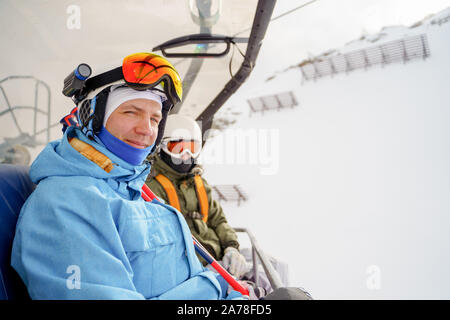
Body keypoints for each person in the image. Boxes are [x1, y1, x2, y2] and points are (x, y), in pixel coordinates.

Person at [10, 52, 245, 300]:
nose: (146, 129)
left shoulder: (134, 189)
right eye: (131, 112)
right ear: (92, 115)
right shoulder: (64, 205)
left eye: (155, 118)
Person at [145, 114, 289, 297]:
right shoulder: (152, 187)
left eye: (191, 148)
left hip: (218, 254)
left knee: (276, 267)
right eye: (178, 148)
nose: (185, 155)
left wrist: (231, 247)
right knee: (257, 287)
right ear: (162, 148)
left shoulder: (198, 183)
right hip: (196, 262)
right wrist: (204, 264)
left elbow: (218, 219)